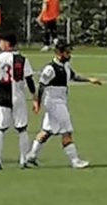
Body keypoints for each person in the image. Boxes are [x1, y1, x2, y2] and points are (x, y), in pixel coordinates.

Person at [23, 40, 101, 170]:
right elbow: (42, 85)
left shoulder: (66, 66)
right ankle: (75, 161)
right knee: (67, 132)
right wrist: (37, 102)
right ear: (59, 53)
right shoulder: (50, 69)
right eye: (67, 52)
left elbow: (74, 76)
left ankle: (31, 156)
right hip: (55, 103)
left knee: (46, 131)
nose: (69, 54)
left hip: (60, 101)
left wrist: (90, 79)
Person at [0, 33, 35, 171]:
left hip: (2, 97)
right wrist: (34, 96)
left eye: (1, 41)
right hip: (18, 97)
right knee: (22, 129)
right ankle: (22, 159)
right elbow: (29, 80)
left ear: (8, 43)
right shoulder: (22, 59)